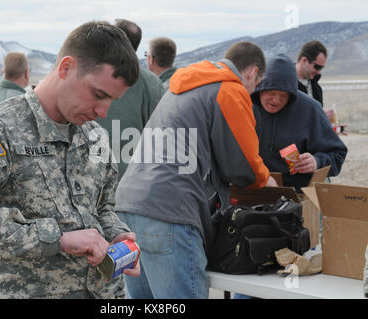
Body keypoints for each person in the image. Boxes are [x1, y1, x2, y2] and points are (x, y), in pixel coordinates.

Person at [0, 21, 140, 299]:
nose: (103, 112)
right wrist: (58, 239)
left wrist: (117, 236)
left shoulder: (94, 136)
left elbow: (103, 208)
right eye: (98, 94)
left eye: (112, 101)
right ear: (66, 67)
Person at [114, 42, 278, 298]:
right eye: (256, 85)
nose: (252, 91)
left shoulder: (183, 86)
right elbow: (243, 165)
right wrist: (267, 183)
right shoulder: (229, 89)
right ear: (252, 72)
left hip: (128, 206)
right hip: (170, 212)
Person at [252, 53, 347, 192]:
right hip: (252, 189)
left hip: (297, 193)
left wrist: (317, 161)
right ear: (260, 87)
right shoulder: (245, 105)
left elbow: (337, 154)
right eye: (271, 93)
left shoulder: (310, 109)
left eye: (283, 96)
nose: (276, 100)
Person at [96, 19, 165, 181]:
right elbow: (161, 136)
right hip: (133, 181)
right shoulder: (152, 83)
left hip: (89, 179)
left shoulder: (91, 74)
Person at [295, 40, 327, 106]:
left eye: (321, 68)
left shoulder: (316, 89)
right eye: (317, 67)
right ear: (304, 60)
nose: (318, 72)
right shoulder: (285, 85)